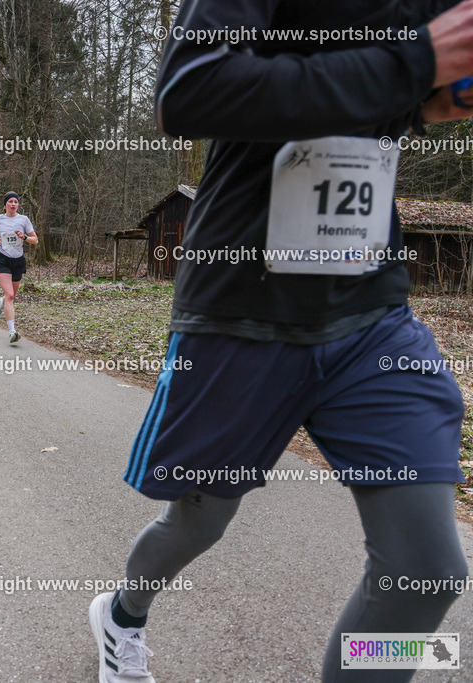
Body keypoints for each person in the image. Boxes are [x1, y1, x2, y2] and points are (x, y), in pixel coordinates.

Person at [89, 2, 473, 682]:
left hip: (369, 314)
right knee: (199, 524)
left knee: (429, 571)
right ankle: (122, 612)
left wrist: (427, 98)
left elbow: (398, 90)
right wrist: (412, 63)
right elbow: (189, 89)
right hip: (241, 310)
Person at [0, 192, 37, 343]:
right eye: (10, 202)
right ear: (5, 205)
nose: (13, 204)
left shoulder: (24, 219)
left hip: (18, 261)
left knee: (10, 296)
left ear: (18, 204)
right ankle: (12, 332)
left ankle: (1, 302)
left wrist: (25, 237)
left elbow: (35, 240)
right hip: (2, 259)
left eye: (16, 201)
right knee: (10, 295)